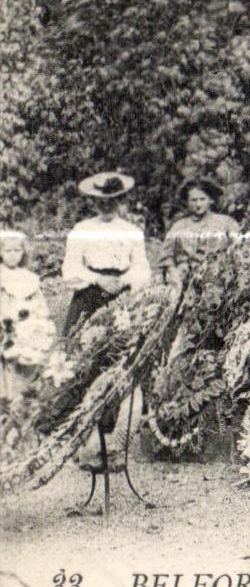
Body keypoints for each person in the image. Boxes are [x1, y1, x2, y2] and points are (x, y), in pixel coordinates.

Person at [61, 170, 152, 475]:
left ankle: (117, 448)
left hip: (122, 301)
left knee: (124, 368)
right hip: (88, 300)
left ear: (120, 200)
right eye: (100, 200)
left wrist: (123, 281)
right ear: (93, 201)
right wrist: (96, 278)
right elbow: (69, 270)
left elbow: (142, 270)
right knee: (84, 371)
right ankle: (87, 448)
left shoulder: (131, 231)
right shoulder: (82, 229)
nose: (106, 206)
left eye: (112, 200)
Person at [0, 230, 56, 402]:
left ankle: (24, 402)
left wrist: (40, 322)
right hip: (6, 326)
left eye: (17, 251)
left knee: (27, 367)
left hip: (27, 327)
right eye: (7, 251)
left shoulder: (28, 277)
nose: (12, 255)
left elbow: (40, 305)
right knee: (7, 367)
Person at [159, 177, 240, 284]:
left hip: (218, 278)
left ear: (211, 200)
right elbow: (166, 256)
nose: (198, 204)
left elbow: (238, 250)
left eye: (202, 199)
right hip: (185, 279)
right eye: (193, 200)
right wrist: (173, 270)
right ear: (187, 202)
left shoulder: (227, 223)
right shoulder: (178, 226)